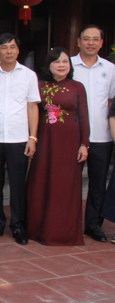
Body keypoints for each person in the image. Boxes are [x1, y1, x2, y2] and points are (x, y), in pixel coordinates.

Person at [26, 47, 89, 246]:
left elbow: (85, 117)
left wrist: (84, 144)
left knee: (65, 186)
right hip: (44, 142)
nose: (61, 65)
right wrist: (32, 138)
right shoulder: (40, 86)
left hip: (70, 144)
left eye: (64, 62)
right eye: (56, 62)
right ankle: (37, 230)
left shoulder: (77, 87)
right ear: (49, 66)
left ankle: (63, 233)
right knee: (41, 183)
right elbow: (31, 111)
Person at [0, 33, 39, 245]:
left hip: (18, 138)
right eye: (4, 47)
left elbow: (33, 106)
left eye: (12, 47)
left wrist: (32, 137)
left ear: (18, 50)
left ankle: (17, 225)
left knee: (17, 184)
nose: (8, 51)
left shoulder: (28, 75)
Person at [71, 25, 115, 243]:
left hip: (101, 136)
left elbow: (111, 102)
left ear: (101, 43)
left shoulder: (110, 69)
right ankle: (67, 223)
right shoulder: (66, 65)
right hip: (71, 137)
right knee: (68, 181)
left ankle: (93, 224)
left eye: (95, 39)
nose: (90, 43)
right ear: (78, 41)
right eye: (86, 38)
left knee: (98, 184)